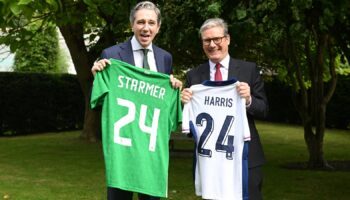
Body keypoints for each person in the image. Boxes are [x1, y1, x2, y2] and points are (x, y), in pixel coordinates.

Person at [91, 1, 182, 200]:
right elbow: (99, 102)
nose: (145, 28)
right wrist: (97, 76)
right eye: (141, 22)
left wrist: (173, 85)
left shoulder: (165, 58)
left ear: (158, 27)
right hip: (122, 150)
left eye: (151, 22)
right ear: (132, 25)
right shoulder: (112, 55)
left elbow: (163, 97)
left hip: (150, 151)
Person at [181, 18, 268, 200]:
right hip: (211, 160)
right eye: (207, 40)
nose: (212, 45)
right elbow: (190, 129)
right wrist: (185, 105)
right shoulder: (193, 76)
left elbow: (264, 109)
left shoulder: (248, 69)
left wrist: (248, 99)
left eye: (217, 39)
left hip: (246, 157)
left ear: (227, 39)